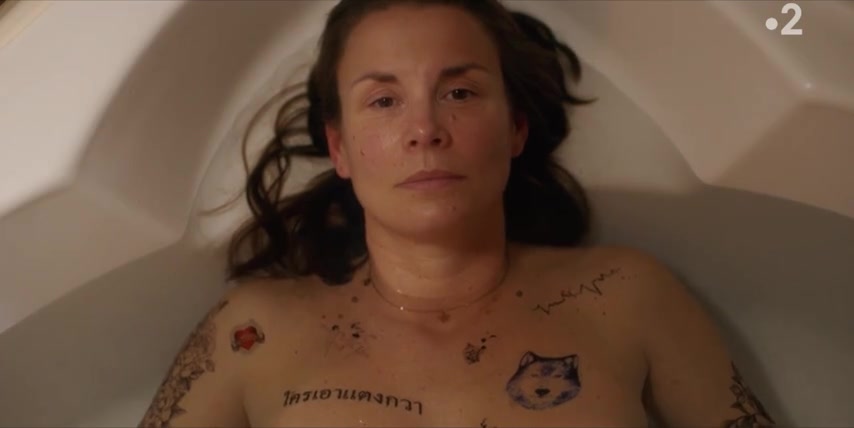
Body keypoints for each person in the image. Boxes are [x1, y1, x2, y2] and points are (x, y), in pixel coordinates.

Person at [139, 0, 776, 427]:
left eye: (460, 92)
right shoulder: (253, 331)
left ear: (515, 128)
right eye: (384, 101)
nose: (425, 129)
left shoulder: (625, 296)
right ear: (340, 148)